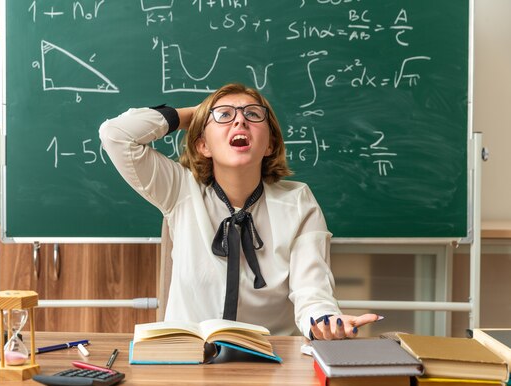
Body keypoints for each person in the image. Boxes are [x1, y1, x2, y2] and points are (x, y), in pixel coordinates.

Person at [99, 83, 380, 339]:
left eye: (253, 114)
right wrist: (195, 114)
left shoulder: (298, 201)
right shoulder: (180, 189)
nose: (240, 120)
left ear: (269, 144)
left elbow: (312, 289)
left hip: (271, 358)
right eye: (224, 115)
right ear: (203, 145)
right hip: (188, 359)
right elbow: (116, 135)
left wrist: (324, 321)